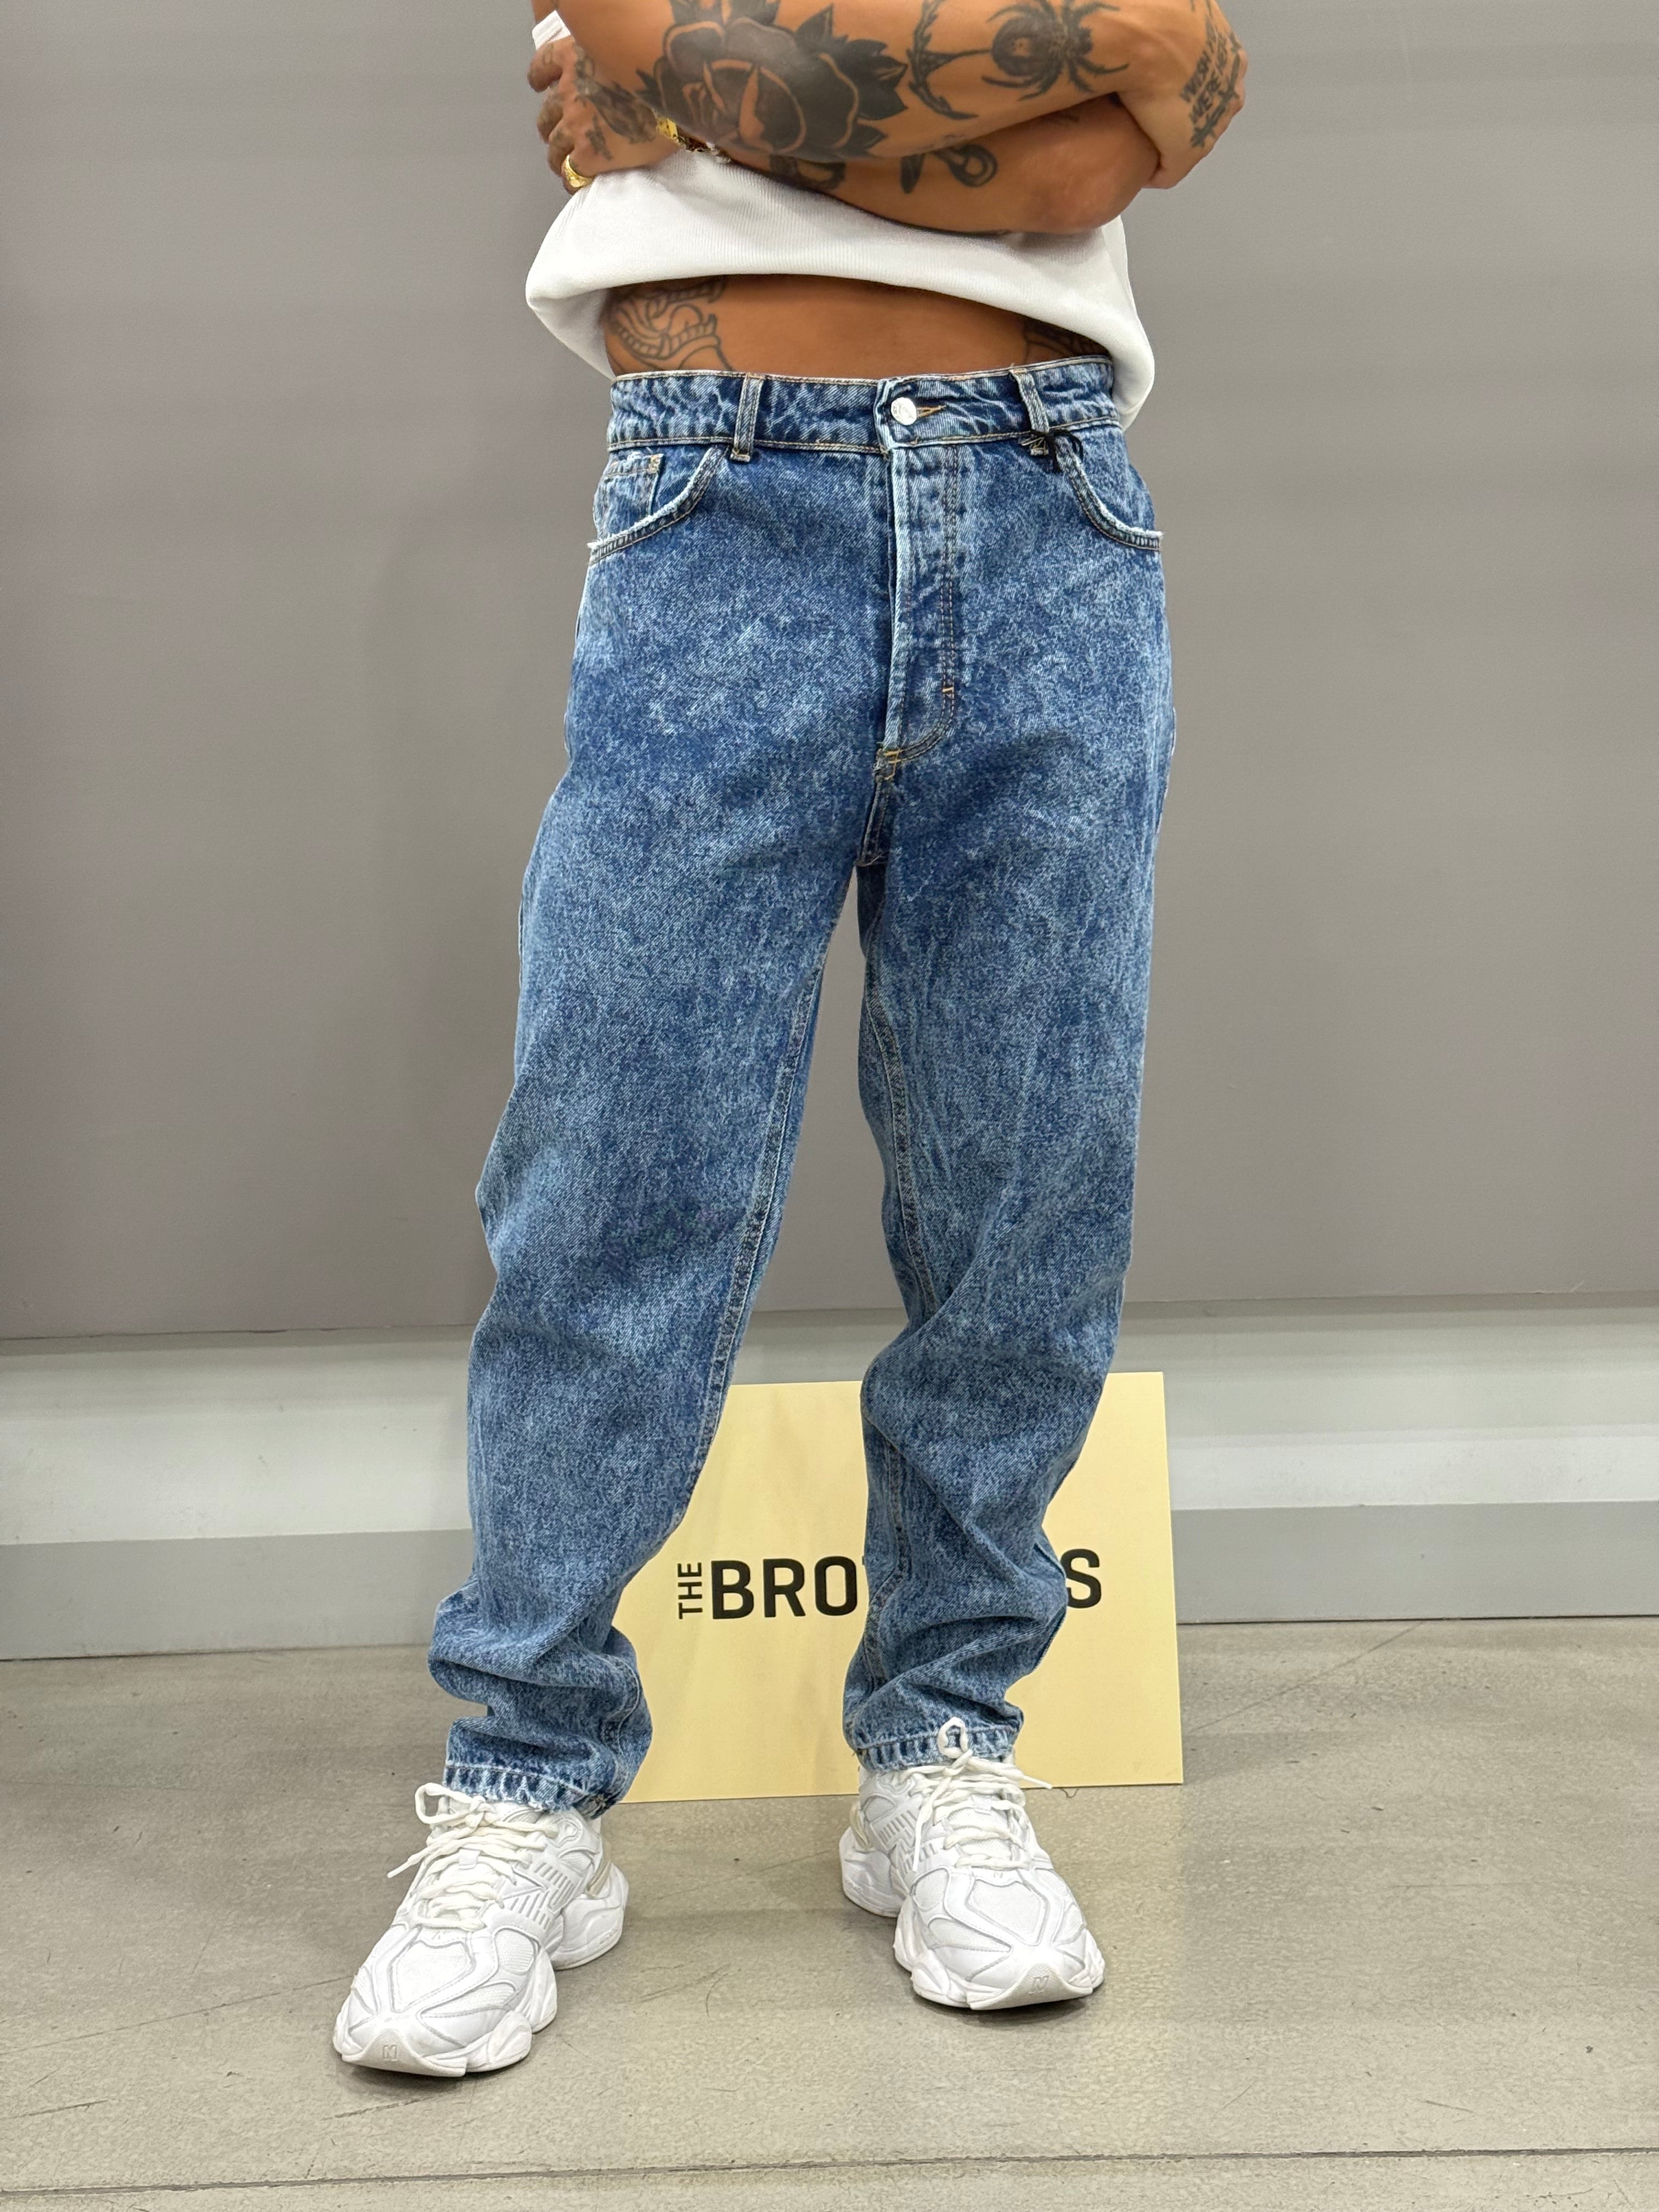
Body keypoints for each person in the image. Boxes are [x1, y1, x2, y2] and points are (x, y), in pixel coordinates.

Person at [334, 0, 1244, 2075]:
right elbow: (996, 112)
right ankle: (526, 1783)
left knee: (1026, 1178)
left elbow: (1103, 139)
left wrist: (729, 101)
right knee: (613, 1169)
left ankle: (943, 1745)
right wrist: (1011, 73)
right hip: (721, 486)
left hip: (1051, 499)